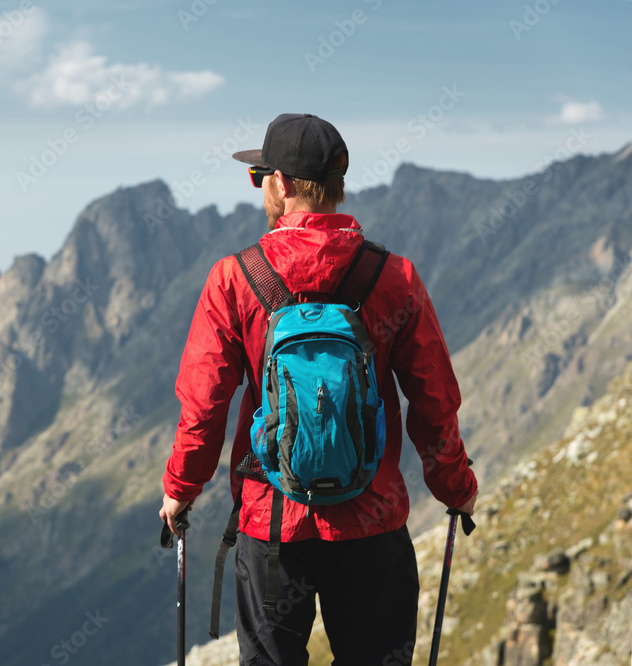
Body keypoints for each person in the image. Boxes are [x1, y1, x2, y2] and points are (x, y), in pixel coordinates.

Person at [158, 113, 478, 665]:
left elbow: (204, 405)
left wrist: (181, 487)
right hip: (373, 525)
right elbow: (434, 400)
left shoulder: (235, 278)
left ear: (281, 183)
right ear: (336, 185)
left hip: (272, 526)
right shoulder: (394, 276)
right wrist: (455, 486)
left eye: (259, 177)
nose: (260, 188)